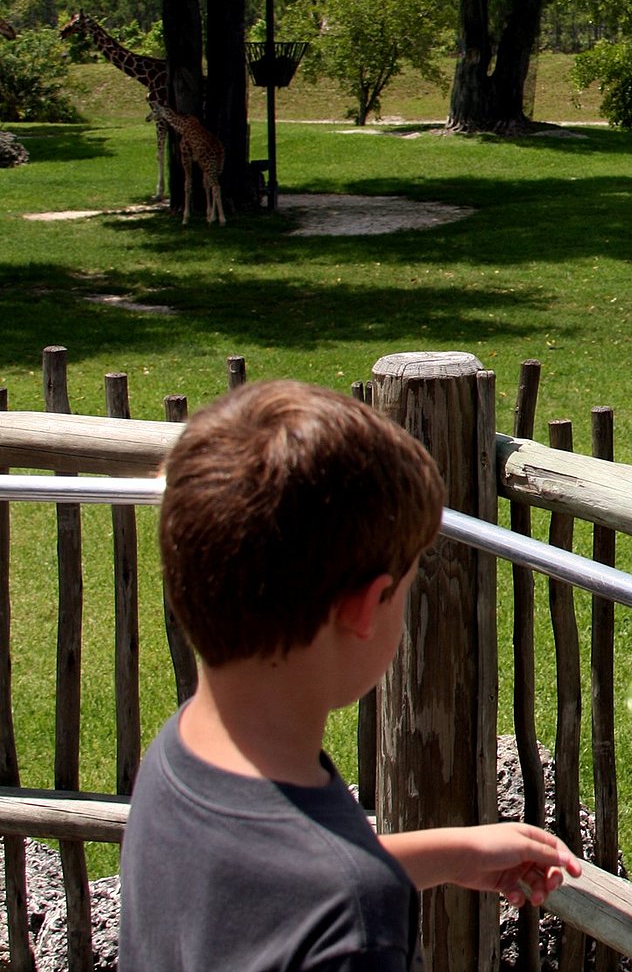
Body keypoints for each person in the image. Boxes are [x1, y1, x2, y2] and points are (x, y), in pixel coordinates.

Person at [121, 379, 581, 970]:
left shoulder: (181, 757)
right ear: (367, 607)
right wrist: (374, 883)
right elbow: (315, 891)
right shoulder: (354, 929)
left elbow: (267, 882)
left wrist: (452, 853)